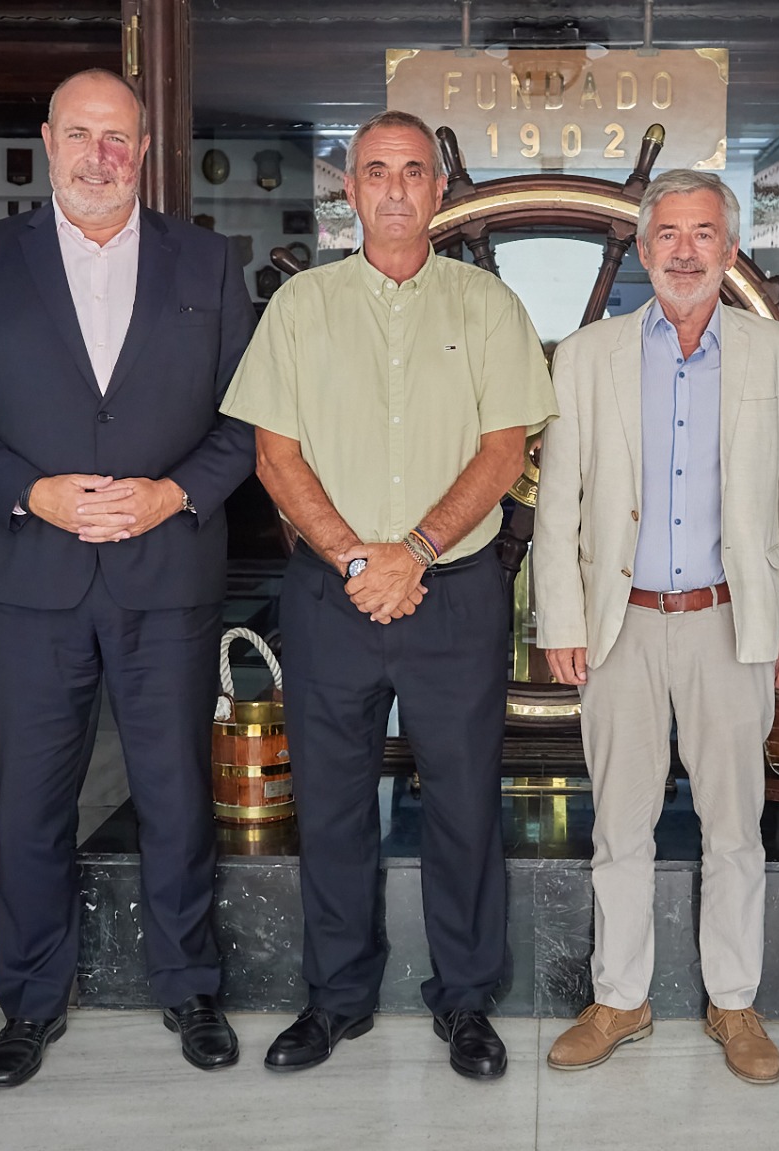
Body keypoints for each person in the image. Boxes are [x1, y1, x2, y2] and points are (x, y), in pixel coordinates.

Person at [0, 68, 256, 1087]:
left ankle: (190, 983)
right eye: (81, 134)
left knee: (175, 796)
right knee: (30, 802)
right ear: (47, 141)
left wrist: (170, 494)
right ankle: (29, 1000)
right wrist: (35, 491)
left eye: (118, 137)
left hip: (167, 571)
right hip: (30, 574)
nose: (99, 155)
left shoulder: (208, 258)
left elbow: (248, 419)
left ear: (143, 149)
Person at [219, 110, 556, 1081]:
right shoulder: (302, 307)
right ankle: (335, 999)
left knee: (463, 806)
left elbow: (505, 452)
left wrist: (409, 548)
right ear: (351, 191)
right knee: (328, 805)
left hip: (453, 592)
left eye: (414, 171)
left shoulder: (488, 307)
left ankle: (466, 1000)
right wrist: (355, 556)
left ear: (439, 190)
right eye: (377, 171)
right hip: (331, 595)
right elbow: (272, 456)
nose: (397, 188)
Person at [532, 169, 779, 1084]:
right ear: (645, 248)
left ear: (729, 250)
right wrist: (562, 616)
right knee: (619, 824)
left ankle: (733, 1003)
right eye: (669, 233)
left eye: (705, 233)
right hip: (620, 628)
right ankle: (621, 997)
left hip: (729, 623)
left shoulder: (777, 355)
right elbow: (560, 506)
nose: (686, 250)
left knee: (735, 825)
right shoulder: (587, 355)